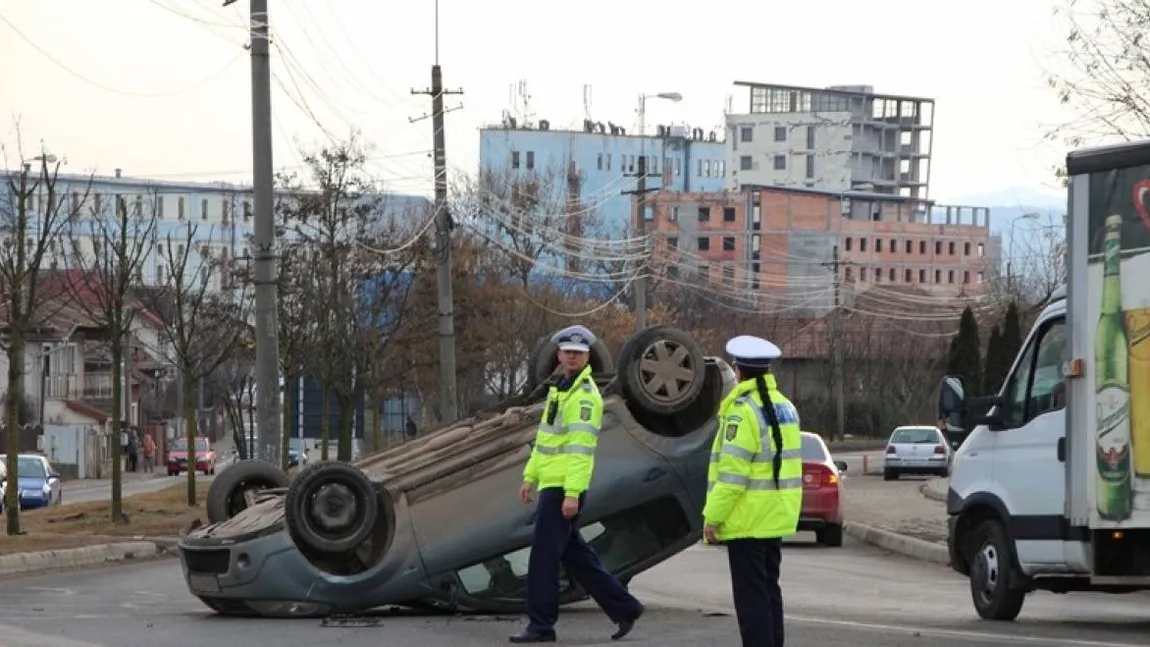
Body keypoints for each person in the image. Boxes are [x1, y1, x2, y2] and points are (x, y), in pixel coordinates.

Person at [510, 325, 645, 644]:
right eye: (567, 352)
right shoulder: (560, 390)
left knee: (543, 558)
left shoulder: (584, 398)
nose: (572, 357)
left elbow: (581, 452)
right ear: (559, 355)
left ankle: (541, 625)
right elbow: (545, 441)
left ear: (587, 358)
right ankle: (625, 607)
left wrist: (572, 494)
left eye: (578, 353)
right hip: (552, 484)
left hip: (564, 490)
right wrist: (531, 476)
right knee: (576, 556)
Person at [703, 335, 803, 647]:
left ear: (739, 372)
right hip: (775, 517)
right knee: (769, 593)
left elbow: (733, 476)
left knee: (752, 603)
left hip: (747, 520)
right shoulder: (786, 407)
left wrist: (712, 518)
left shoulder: (741, 411)